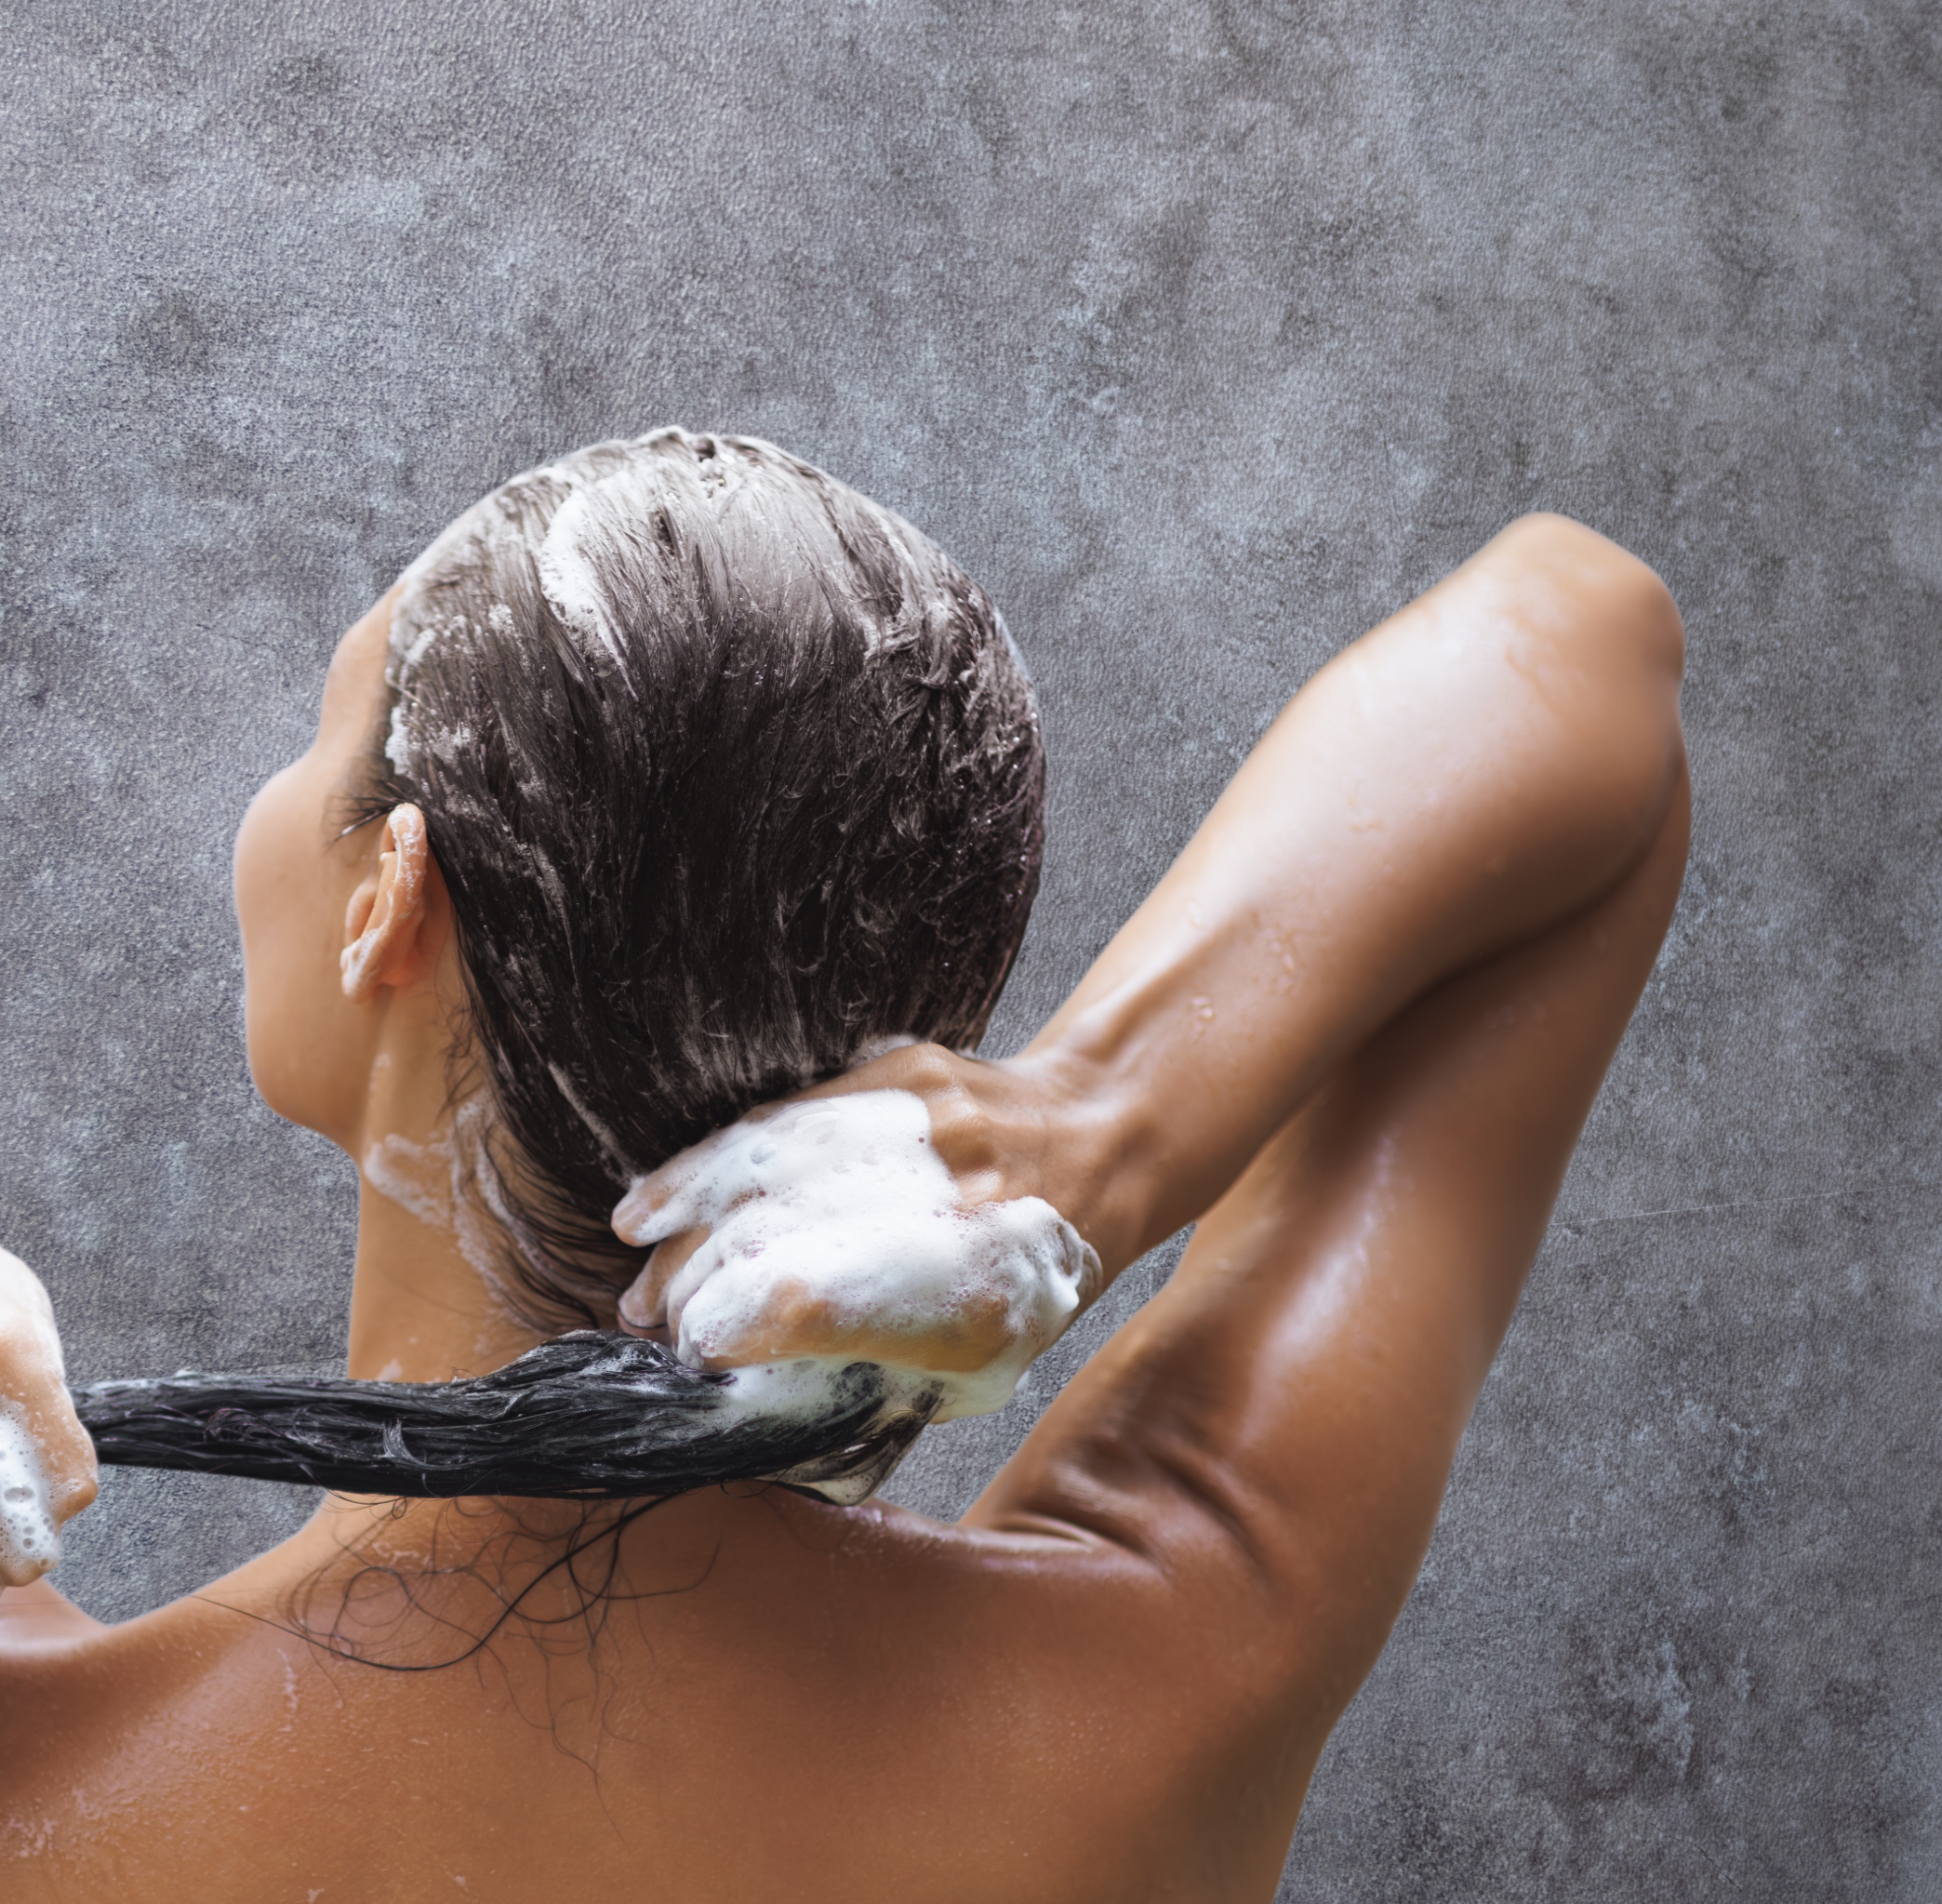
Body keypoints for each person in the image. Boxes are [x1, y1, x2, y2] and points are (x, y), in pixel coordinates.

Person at [0, 429, 1689, 1900]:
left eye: (321, 730)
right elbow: (1589, 644)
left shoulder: (50, 1779)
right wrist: (1102, 1123)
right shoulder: (1166, 1671)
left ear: (391, 901)